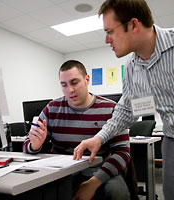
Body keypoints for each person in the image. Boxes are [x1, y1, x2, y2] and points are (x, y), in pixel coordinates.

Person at [73, 0, 174, 199]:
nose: (107, 40)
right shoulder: (132, 68)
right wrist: (99, 138)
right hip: (172, 145)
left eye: (110, 31)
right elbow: (126, 111)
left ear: (133, 24)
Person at [23, 60, 131, 200]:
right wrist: (34, 145)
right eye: (64, 85)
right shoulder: (51, 108)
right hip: (62, 171)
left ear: (87, 79)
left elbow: (123, 152)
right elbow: (27, 144)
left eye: (74, 82)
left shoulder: (111, 108)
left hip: (98, 169)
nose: (70, 90)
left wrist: (94, 183)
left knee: (117, 192)